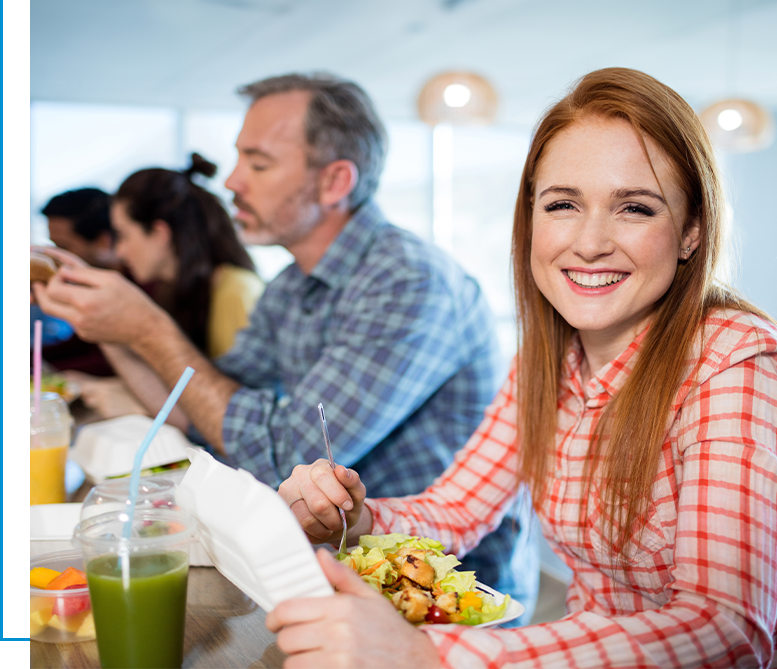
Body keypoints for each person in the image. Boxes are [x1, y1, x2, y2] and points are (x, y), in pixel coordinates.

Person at [272, 67, 777, 669]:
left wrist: (432, 656)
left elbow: (727, 629)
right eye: (563, 204)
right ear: (531, 218)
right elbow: (457, 508)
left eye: (635, 208)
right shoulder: (549, 359)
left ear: (691, 231)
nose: (589, 242)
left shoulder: (734, 364)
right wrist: (354, 515)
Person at [32, 73, 539, 615]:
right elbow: (195, 404)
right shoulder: (292, 285)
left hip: (439, 592)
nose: (231, 181)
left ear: (334, 182)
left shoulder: (408, 281)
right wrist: (110, 325)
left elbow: (287, 454)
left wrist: (146, 327)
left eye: (258, 162)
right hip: (337, 565)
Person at [40, 153, 265, 420]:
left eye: (122, 236)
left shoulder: (236, 291)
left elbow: (236, 413)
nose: (119, 252)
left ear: (159, 233)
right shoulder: (173, 290)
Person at [33, 187, 121, 376]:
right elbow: (82, 345)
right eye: (53, 246)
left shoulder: (139, 288)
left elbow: (111, 362)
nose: (57, 257)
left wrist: (47, 371)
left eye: (63, 247)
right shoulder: (88, 286)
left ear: (102, 242)